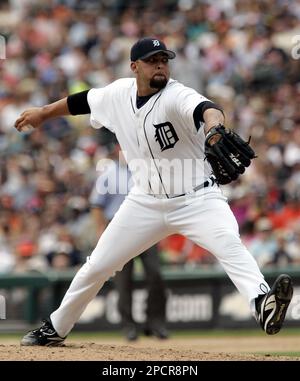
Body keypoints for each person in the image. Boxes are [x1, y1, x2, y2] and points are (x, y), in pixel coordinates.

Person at [15, 37, 293, 346]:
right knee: (98, 265)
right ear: (135, 66)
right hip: (144, 202)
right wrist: (43, 112)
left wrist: (215, 128)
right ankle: (55, 327)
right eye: (152, 59)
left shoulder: (177, 95)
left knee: (230, 246)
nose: (160, 64)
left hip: (197, 198)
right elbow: (81, 101)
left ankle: (261, 304)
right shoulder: (117, 94)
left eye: (164, 58)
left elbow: (207, 109)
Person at [89, 138, 168, 340]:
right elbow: (97, 204)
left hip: (147, 229)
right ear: (117, 150)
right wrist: (100, 230)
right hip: (118, 231)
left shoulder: (146, 171)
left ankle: (156, 322)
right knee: (124, 281)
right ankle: (128, 326)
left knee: (155, 275)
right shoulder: (108, 173)